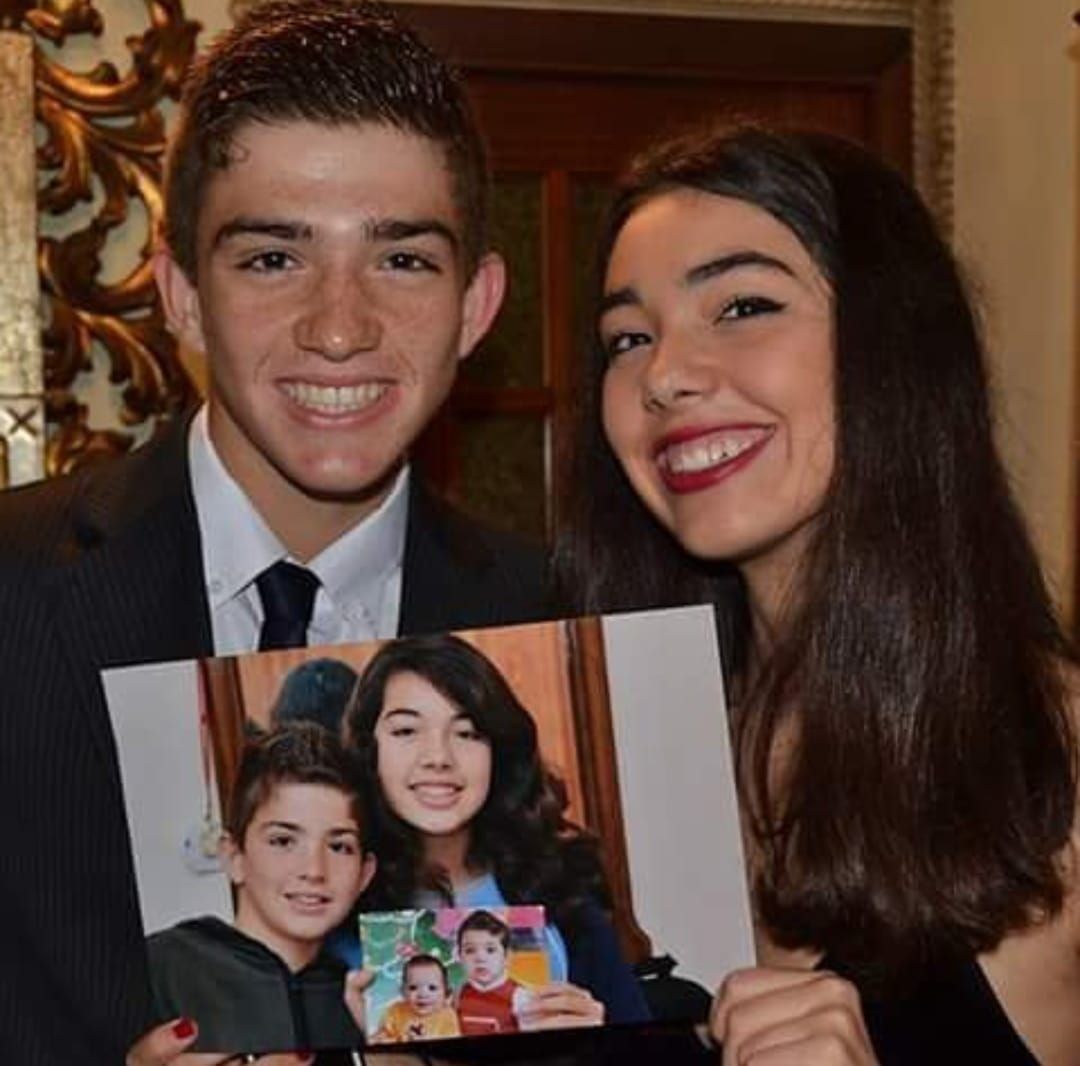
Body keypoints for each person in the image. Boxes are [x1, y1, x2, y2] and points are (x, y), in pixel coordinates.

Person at [0, 1, 552, 1062]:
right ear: (184, 297)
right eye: (270, 260)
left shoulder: (560, 610)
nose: (339, 327)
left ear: (477, 306)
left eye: (401, 261)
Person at [560, 122, 1080, 1064]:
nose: (665, 375)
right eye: (628, 337)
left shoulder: (1062, 766)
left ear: (894, 346)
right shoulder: (604, 767)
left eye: (743, 306)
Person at [345, 634, 651, 1035]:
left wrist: (600, 1040)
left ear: (498, 752)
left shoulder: (563, 890)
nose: (438, 757)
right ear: (371, 751)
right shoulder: (336, 910)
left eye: (468, 733)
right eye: (406, 731)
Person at [147, 724, 376, 1052]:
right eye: (283, 841)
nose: (313, 870)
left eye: (339, 847)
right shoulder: (160, 968)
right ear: (234, 856)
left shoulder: (370, 995)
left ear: (364, 874)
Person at [454, 910, 530, 1036]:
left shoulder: (520, 998)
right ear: (459, 956)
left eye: (490, 950)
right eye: (470, 950)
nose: (480, 958)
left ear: (507, 956)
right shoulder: (458, 995)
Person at [373, 954, 461, 1042]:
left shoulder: (448, 1017)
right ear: (403, 992)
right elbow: (382, 1034)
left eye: (432, 988)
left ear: (446, 993)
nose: (422, 994)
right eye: (413, 988)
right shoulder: (395, 1011)